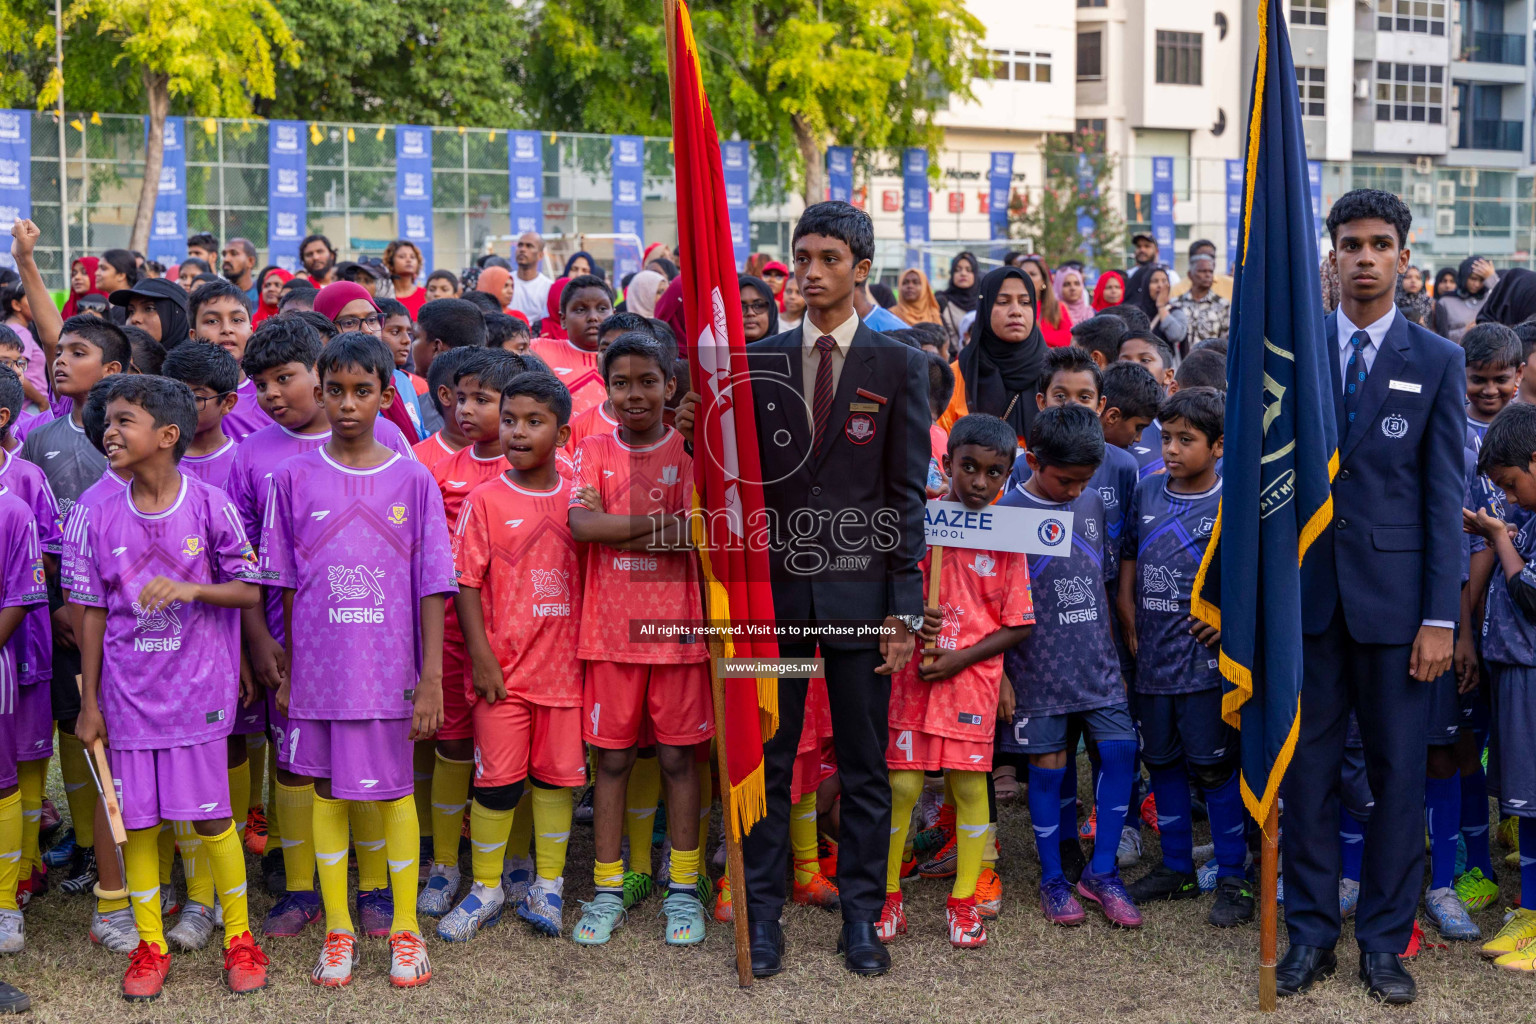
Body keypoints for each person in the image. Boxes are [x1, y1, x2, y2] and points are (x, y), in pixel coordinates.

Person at [676, 200, 928, 978]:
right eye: (802, 257)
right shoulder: (761, 361)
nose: (810, 273)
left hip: (860, 601)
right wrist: (696, 427)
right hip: (772, 601)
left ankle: (861, 916)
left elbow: (905, 494)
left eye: (827, 259)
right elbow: (737, 474)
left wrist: (904, 608)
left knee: (861, 761)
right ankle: (761, 914)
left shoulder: (900, 363)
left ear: (860, 266)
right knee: (770, 759)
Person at [1278, 189, 1464, 1006]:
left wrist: (1438, 619)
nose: (1363, 256)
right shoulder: (1298, 353)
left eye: (1379, 243)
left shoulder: (1437, 360)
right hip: (1308, 606)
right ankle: (1312, 933)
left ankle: (1385, 942)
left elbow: (1441, 498)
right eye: (1349, 243)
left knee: (1397, 781)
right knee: (1309, 775)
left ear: (1403, 258)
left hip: (1398, 615)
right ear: (1332, 256)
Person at [260, 333, 454, 989]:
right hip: (317, 678)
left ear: (384, 392)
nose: (347, 404)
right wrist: (284, 668)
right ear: (319, 387)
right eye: (335, 390)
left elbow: (432, 583)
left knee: (396, 791)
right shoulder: (291, 478)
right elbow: (281, 583)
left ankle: (406, 930)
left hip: (390, 675)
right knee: (323, 791)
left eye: (362, 390)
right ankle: (338, 929)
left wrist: (429, 679)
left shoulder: (412, 476)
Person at [68, 374, 268, 1000]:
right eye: (108, 421)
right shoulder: (93, 513)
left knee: (212, 823)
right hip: (128, 701)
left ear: (167, 435)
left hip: (198, 696)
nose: (110, 430)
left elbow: (249, 588)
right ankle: (150, 945)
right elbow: (91, 614)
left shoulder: (210, 505)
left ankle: (240, 936)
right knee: (143, 825)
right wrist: (91, 703)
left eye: (125, 420)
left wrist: (190, 589)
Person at [567, 333, 711, 948]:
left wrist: (618, 531)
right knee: (615, 760)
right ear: (607, 388)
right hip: (607, 636)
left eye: (647, 381)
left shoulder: (689, 451)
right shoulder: (592, 449)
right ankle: (606, 887)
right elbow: (581, 524)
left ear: (670, 386)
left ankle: (683, 884)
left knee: (680, 759)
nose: (634, 394)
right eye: (621, 382)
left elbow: (699, 533)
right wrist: (661, 525)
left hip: (678, 636)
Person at [437, 370, 584, 942]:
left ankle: (548, 886)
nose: (517, 432)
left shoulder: (581, 498)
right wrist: (481, 657)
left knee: (555, 783)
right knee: (496, 784)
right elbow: (465, 583)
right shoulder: (485, 499)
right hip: (504, 675)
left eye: (534, 422)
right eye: (512, 419)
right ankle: (486, 887)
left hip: (567, 675)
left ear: (563, 434)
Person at [883, 413, 1034, 948]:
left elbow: (1018, 624)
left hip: (970, 680)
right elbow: (890, 590)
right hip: (913, 674)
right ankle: (888, 897)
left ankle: (964, 901)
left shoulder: (1009, 535)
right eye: (967, 467)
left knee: (971, 784)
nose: (978, 482)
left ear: (1008, 477)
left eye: (994, 474)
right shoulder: (917, 522)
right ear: (946, 464)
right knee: (901, 783)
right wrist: (903, 622)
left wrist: (962, 657)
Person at [996, 402, 1142, 927]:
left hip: (1096, 661)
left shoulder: (1091, 503)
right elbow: (991, 604)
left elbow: (1102, 578)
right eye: (1065, 480)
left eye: (1085, 481)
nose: (1076, 490)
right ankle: (1053, 879)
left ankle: (1101, 874)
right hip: (1035, 667)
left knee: (1122, 749)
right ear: (1032, 460)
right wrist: (1003, 675)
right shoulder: (1004, 514)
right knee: (1049, 769)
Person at [1116, 387, 1251, 926]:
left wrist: (1230, 625)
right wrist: (1125, 603)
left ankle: (1236, 877)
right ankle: (1175, 866)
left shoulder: (1232, 502)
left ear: (1218, 446)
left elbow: (1250, 579)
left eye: (1185, 440)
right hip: (1151, 659)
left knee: (1215, 771)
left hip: (1203, 668)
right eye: (1165, 437)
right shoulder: (1146, 493)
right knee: (1163, 762)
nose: (1170, 448)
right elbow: (1128, 552)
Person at [417, 349, 535, 921]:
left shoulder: (535, 469)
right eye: (461, 397)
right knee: (454, 745)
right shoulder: (428, 464)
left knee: (516, 751)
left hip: (520, 638)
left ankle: (516, 857)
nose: (466, 409)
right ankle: (444, 862)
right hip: (449, 633)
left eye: (483, 400)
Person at [1466, 403, 1536, 969]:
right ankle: (1529, 912)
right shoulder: (1529, 517)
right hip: (1512, 673)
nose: (1508, 498)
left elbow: (1531, 594)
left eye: (1512, 485)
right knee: (1525, 804)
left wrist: (1499, 536)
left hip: (1532, 677)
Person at [936, 266, 1048, 446]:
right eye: (1003, 302)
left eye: (1025, 302)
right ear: (985, 307)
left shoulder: (1056, 373)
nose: (1016, 311)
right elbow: (940, 446)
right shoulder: (956, 376)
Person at [314, 282, 422, 443]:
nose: (367, 330)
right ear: (327, 329)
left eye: (372, 320)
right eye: (350, 322)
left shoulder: (400, 381)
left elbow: (419, 438)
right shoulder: (317, 389)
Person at [186, 279, 270, 441]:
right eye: (212, 321)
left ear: (251, 331)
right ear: (193, 335)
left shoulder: (270, 393)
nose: (226, 329)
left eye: (237, 320)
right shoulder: (180, 395)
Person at [530, 275, 613, 418]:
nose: (593, 317)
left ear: (614, 314)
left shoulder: (628, 358)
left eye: (602, 308)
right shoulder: (536, 350)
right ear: (563, 319)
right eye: (580, 310)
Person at [108, 278, 189, 351]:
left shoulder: (196, 365)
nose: (134, 319)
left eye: (149, 309)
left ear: (175, 317)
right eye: (131, 311)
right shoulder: (117, 362)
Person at [1433, 256, 1498, 343]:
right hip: (1457, 351)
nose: (1477, 284)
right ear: (1464, 277)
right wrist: (1464, 331)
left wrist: (1492, 278)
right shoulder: (1446, 301)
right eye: (1473, 278)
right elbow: (1439, 336)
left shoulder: (1489, 299)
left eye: (1482, 280)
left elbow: (1506, 298)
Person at [1169, 254, 1230, 346]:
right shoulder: (1176, 304)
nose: (1208, 275)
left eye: (1210, 271)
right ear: (1190, 275)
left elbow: (1226, 339)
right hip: (1181, 359)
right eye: (1202, 271)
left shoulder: (1223, 305)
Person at [1133, 266, 1188, 353]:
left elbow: (1176, 335)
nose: (1160, 285)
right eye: (1155, 281)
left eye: (1164, 281)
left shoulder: (1175, 311)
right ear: (1146, 285)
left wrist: (1161, 307)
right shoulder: (1135, 312)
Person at [1020, 257, 1072, 347]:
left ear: (1043, 281)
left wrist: (1034, 337)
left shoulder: (1057, 307)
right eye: (1023, 274)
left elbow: (1068, 337)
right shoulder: (1013, 307)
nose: (1027, 278)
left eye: (1032, 274)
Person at [935, 252, 980, 352]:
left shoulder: (983, 301)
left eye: (968, 270)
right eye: (957, 270)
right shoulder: (942, 301)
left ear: (975, 274)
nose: (963, 273)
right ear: (952, 274)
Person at [509, 233, 553, 321]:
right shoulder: (506, 281)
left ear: (540, 255)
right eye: (520, 245)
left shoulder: (548, 287)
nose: (522, 249)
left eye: (529, 246)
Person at [383, 240, 427, 319]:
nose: (408, 260)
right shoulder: (383, 295)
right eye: (402, 256)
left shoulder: (426, 295)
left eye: (412, 257)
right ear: (391, 263)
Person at [739, 276, 779, 344]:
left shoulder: (789, 351)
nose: (750, 313)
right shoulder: (718, 352)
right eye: (741, 307)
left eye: (758, 306)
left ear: (771, 312)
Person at [221, 238, 258, 306]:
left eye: (234, 254)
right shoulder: (218, 296)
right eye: (224, 254)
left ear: (250, 261)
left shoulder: (263, 296)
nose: (226, 259)